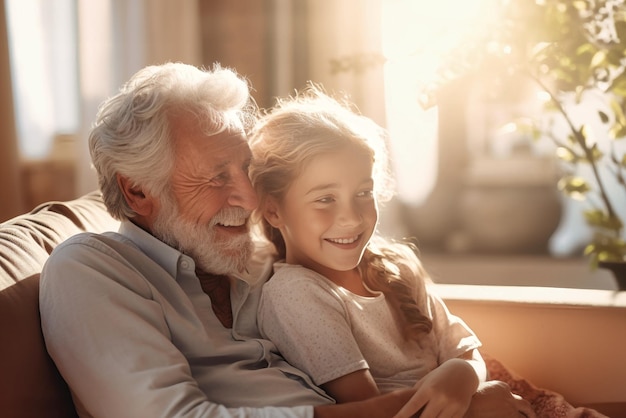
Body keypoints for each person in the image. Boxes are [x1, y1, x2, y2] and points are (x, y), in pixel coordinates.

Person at [39, 61, 534, 418]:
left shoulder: (254, 259)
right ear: (138, 189)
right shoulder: (90, 269)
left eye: (246, 170)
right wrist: (470, 405)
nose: (249, 198)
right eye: (216, 177)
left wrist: (468, 376)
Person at [248, 85, 535, 418]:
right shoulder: (295, 293)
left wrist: (464, 374)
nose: (352, 217)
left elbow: (466, 354)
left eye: (363, 192)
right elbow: (370, 410)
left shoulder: (395, 266)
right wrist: (478, 404)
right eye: (325, 199)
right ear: (273, 211)